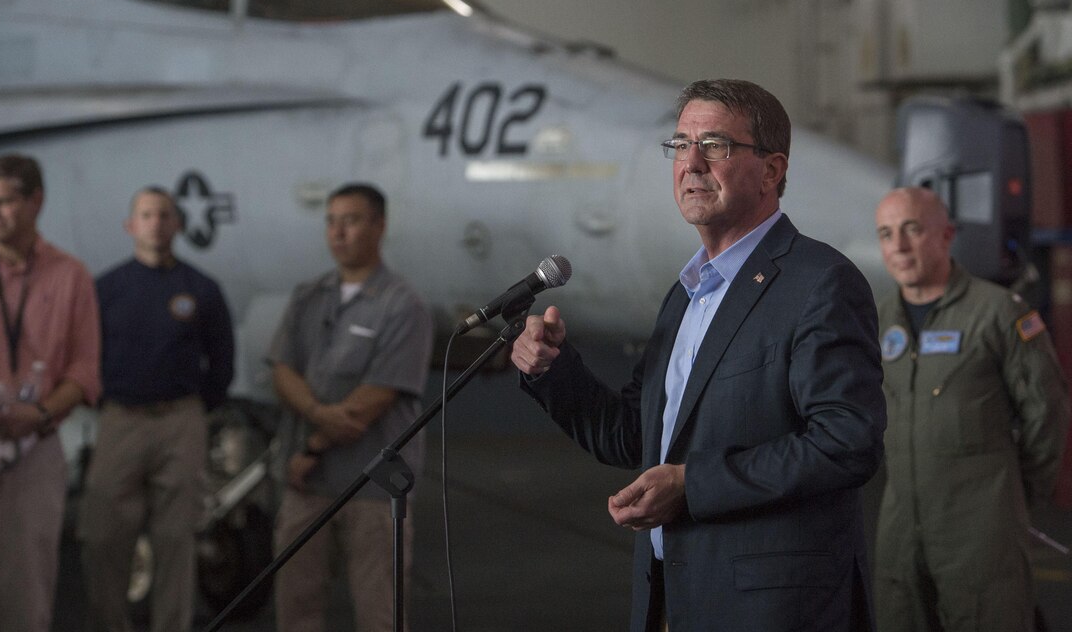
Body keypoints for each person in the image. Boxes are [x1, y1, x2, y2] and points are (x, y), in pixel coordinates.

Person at [511, 79, 887, 632]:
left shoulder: (820, 283)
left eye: (715, 144)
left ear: (772, 170)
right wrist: (552, 369)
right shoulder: (687, 293)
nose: (690, 162)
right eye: (680, 144)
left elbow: (846, 444)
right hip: (672, 597)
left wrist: (692, 486)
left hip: (771, 610)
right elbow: (634, 437)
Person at [872, 186, 1069, 632]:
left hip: (981, 533)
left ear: (946, 235)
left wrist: (1014, 495)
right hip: (900, 531)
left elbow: (1047, 412)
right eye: (886, 234)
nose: (898, 246)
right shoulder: (879, 321)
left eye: (912, 229)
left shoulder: (999, 312)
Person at [267, 183, 433, 632]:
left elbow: (371, 401)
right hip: (307, 485)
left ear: (379, 227)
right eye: (331, 221)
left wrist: (314, 443)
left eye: (352, 220)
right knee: (296, 609)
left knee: (380, 613)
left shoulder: (404, 306)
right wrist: (319, 418)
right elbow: (282, 369)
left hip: (373, 491)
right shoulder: (309, 295)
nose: (338, 232)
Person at [78, 186, 235, 632]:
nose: (156, 222)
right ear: (131, 226)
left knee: (176, 537)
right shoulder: (105, 289)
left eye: (165, 214)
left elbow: (222, 358)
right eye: (146, 214)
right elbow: (86, 354)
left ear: (179, 224)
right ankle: (109, 624)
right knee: (105, 535)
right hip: (120, 420)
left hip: (180, 420)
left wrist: (202, 404)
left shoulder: (201, 289)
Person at [0, 153, 101, 632]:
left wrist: (39, 414)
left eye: (4, 201)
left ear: (36, 201)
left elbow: (85, 369)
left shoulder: (69, 275)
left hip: (33, 448)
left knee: (26, 593)